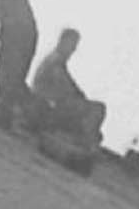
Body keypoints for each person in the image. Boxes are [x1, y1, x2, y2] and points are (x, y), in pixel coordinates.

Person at [24, 27, 111, 170]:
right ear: (63, 42)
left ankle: (87, 143)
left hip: (51, 106)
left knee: (93, 109)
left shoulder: (57, 62)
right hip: (47, 108)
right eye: (72, 45)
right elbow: (65, 90)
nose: (73, 50)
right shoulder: (55, 62)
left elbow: (72, 89)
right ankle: (88, 145)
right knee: (96, 110)